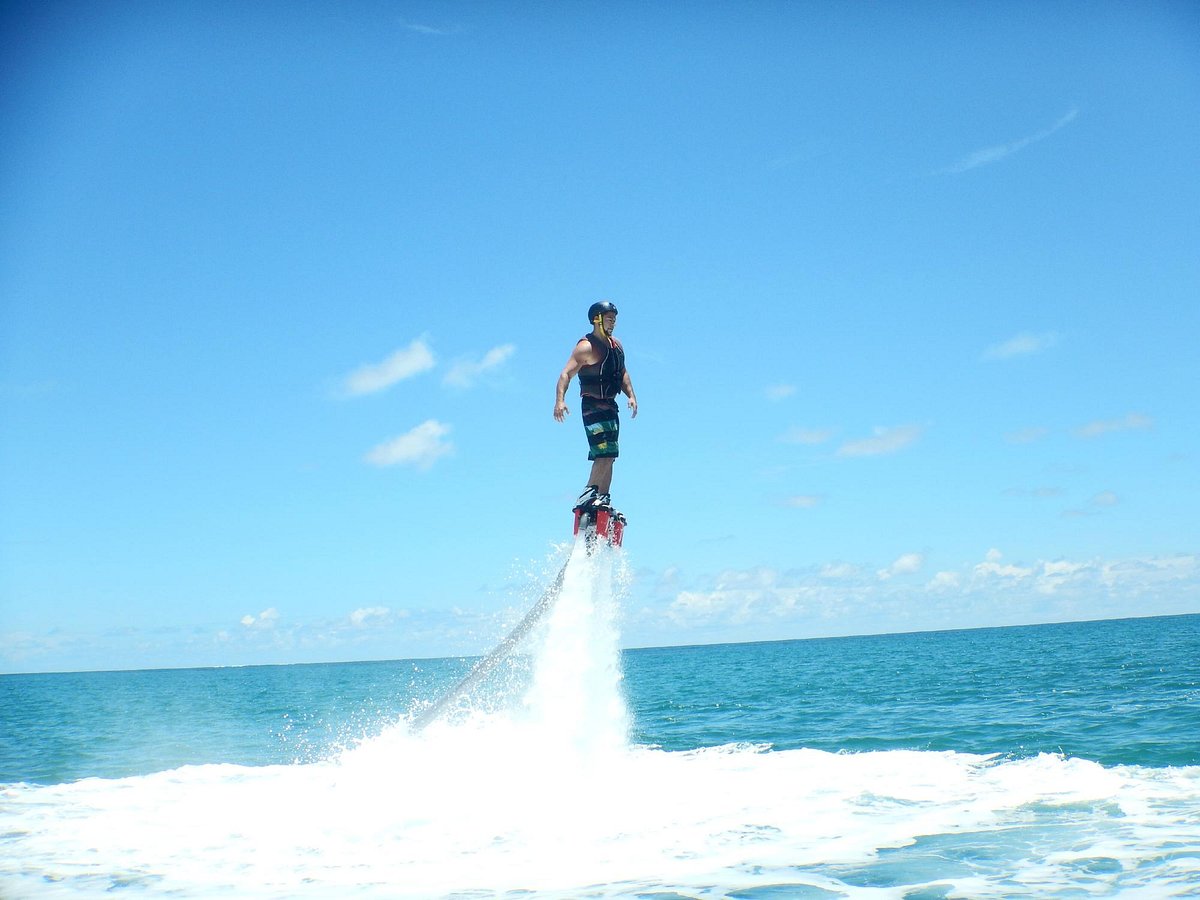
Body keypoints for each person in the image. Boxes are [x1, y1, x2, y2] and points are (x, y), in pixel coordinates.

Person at [554, 300, 637, 512]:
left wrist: (631, 396)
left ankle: (603, 497)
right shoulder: (586, 347)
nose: (613, 322)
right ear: (596, 319)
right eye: (609, 318)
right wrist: (560, 401)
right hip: (592, 405)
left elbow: (622, 373)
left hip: (611, 405)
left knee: (611, 455)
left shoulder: (616, 346)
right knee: (602, 453)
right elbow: (566, 374)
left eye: (615, 319)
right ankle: (588, 494)